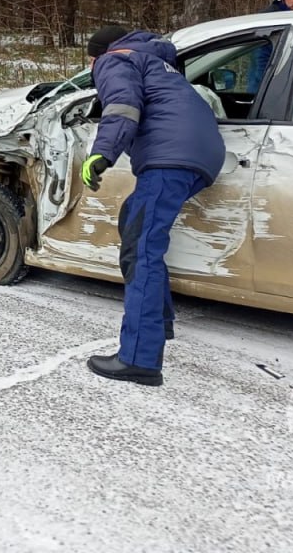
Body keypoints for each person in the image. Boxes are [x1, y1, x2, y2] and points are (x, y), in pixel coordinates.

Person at [79, 25, 225, 387]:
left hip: (170, 158)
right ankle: (158, 323)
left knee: (143, 247)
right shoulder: (158, 63)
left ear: (96, 55)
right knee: (135, 221)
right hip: (202, 155)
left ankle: (139, 358)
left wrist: (102, 154)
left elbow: (123, 105)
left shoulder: (114, 59)